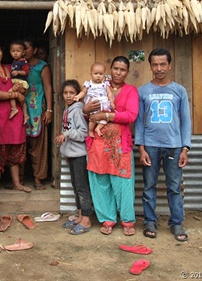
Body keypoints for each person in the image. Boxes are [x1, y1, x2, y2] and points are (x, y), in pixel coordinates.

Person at [135, 48, 192, 242]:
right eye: (155, 65)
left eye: (162, 64)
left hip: (174, 146)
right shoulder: (143, 91)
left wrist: (185, 148)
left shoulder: (179, 90)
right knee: (149, 186)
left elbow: (186, 120)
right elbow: (139, 122)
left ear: (169, 65)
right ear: (150, 66)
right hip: (150, 145)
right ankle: (150, 221)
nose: (159, 68)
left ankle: (176, 223)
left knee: (174, 187)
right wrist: (141, 147)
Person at [84, 56, 139, 236]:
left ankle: (127, 220)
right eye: (115, 68)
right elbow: (87, 113)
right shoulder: (96, 87)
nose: (118, 72)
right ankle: (107, 219)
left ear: (127, 72)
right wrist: (86, 111)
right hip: (98, 143)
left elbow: (131, 116)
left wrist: (107, 117)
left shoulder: (130, 91)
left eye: (122, 69)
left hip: (119, 146)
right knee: (100, 183)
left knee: (123, 183)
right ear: (110, 70)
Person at [0, 40, 31, 194]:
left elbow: (24, 87)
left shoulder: (11, 68)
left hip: (15, 113)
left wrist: (21, 92)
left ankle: (16, 183)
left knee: (15, 146)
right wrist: (15, 94)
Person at [54, 79, 92, 235]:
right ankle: (81, 215)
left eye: (72, 93)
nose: (68, 96)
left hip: (80, 155)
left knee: (82, 187)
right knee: (76, 186)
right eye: (65, 93)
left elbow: (83, 133)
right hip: (72, 154)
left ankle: (87, 220)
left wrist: (66, 134)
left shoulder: (78, 109)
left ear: (78, 94)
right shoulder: (68, 110)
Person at [24, 38, 53, 190]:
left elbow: (48, 88)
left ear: (34, 50)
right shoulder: (18, 66)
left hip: (37, 108)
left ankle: (38, 178)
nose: (23, 51)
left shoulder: (43, 67)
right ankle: (19, 179)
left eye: (26, 47)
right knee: (21, 144)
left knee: (39, 145)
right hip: (22, 109)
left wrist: (49, 109)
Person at [75, 62, 115, 137]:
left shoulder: (105, 84)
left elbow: (109, 93)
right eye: (96, 74)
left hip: (103, 105)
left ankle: (98, 128)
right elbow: (83, 92)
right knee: (93, 119)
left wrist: (112, 102)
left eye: (101, 74)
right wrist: (78, 96)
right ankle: (90, 131)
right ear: (91, 74)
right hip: (93, 104)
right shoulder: (89, 83)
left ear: (104, 74)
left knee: (105, 119)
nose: (98, 76)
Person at [8, 40, 30, 123]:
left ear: (23, 52)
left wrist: (18, 72)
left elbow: (26, 72)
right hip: (17, 81)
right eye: (13, 51)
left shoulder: (23, 62)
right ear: (10, 52)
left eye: (18, 51)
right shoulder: (14, 62)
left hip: (21, 82)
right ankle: (26, 115)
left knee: (10, 93)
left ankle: (14, 109)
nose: (15, 53)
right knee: (22, 100)